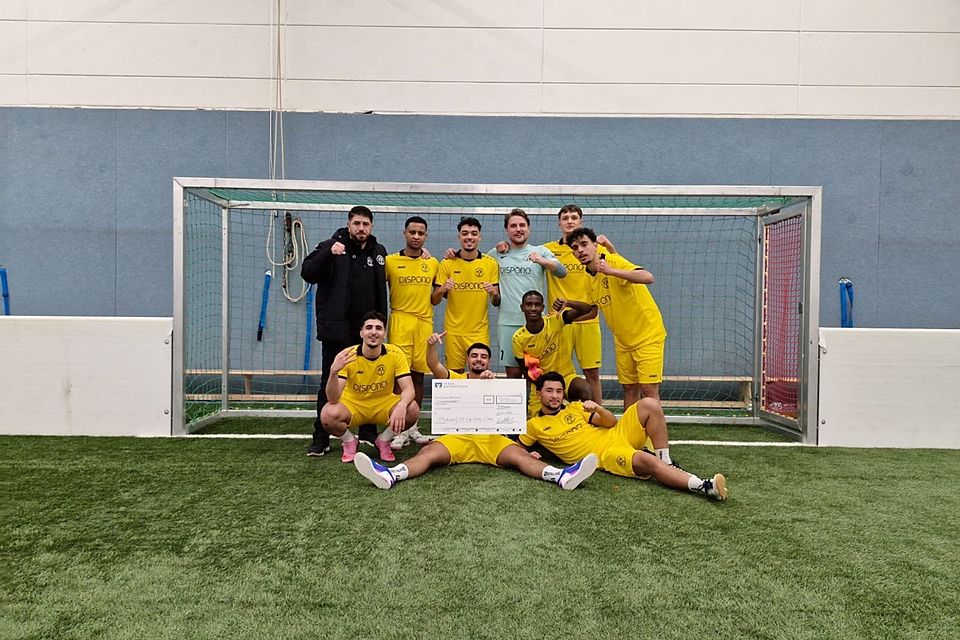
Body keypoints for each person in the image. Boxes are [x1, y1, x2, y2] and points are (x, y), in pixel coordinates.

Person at [352, 333, 598, 490]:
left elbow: (508, 417)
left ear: (489, 362)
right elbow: (433, 364)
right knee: (427, 454)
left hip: (490, 439)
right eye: (474, 356)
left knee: (520, 458)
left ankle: (561, 476)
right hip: (458, 437)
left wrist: (490, 383)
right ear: (468, 360)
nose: (478, 360)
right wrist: (430, 346)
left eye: (483, 357)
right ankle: (391, 475)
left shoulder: (497, 384)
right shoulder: (454, 379)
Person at [522, 372, 728, 501]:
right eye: (549, 391)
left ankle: (666, 461)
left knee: (650, 404)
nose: (555, 396)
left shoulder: (575, 408)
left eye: (559, 391)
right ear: (539, 394)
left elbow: (611, 422)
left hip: (617, 432)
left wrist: (598, 409)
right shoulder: (534, 425)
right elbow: (519, 446)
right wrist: (529, 453)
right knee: (647, 461)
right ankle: (705, 486)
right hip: (606, 453)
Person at [301, 206, 387, 456]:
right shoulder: (331, 245)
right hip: (337, 330)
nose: (361, 228)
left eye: (365, 224)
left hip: (368, 333)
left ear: (371, 226)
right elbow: (308, 273)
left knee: (370, 381)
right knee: (330, 381)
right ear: (349, 224)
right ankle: (321, 437)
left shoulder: (379, 252)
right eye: (357, 223)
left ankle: (368, 433)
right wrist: (328, 254)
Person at [566, 227, 667, 409]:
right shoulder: (588, 277)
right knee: (629, 388)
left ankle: (655, 428)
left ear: (595, 245)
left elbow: (648, 277)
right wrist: (563, 318)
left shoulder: (612, 261)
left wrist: (611, 271)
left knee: (648, 390)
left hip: (647, 335)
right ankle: (629, 428)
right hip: (623, 340)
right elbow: (593, 311)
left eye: (584, 244)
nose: (580, 250)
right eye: (575, 247)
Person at [321, 311, 420, 463]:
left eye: (378, 328)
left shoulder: (396, 353)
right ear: (361, 333)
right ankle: (349, 441)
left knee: (412, 410)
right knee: (327, 415)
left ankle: (384, 440)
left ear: (384, 334)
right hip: (354, 405)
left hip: (383, 403)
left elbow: (409, 389)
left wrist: (402, 405)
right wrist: (333, 371)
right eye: (369, 328)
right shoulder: (347, 355)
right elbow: (333, 399)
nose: (373, 332)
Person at [542, 204, 617, 403]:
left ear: (580, 221)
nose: (570, 221)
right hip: (560, 321)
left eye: (574, 217)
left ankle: (597, 414)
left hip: (588, 319)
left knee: (592, 372)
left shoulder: (594, 248)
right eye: (565, 218)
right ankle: (560, 413)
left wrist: (610, 247)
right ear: (559, 223)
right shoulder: (547, 250)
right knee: (558, 373)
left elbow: (616, 263)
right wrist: (503, 247)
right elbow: (523, 254)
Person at [489, 209, 566, 376]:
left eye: (522, 225)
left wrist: (542, 261)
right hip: (508, 323)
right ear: (507, 230)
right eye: (513, 226)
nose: (518, 229)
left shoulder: (540, 251)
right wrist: (453, 254)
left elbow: (562, 272)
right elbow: (476, 262)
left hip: (536, 324)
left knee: (538, 374)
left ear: (529, 228)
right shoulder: (496, 254)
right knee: (514, 375)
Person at [385, 216, 440, 449]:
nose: (416, 236)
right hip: (400, 320)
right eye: (412, 232)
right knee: (400, 376)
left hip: (424, 323)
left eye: (421, 233)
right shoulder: (390, 261)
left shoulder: (433, 263)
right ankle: (397, 429)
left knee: (418, 375)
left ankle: (413, 427)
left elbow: (435, 299)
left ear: (426, 236)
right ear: (404, 233)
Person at [432, 217, 500, 372]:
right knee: (454, 374)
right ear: (459, 237)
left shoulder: (490, 263)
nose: (469, 237)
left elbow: (496, 301)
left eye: (474, 233)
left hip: (479, 332)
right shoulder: (447, 263)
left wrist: (494, 293)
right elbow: (434, 300)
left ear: (479, 237)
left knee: (480, 373)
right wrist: (442, 289)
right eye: (465, 233)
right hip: (453, 332)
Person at [511, 290, 592, 416]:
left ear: (543, 308)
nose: (533, 308)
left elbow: (586, 309)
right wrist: (546, 387)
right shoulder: (518, 338)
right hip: (541, 383)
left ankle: (581, 420)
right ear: (522, 308)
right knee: (536, 421)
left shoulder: (555, 321)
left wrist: (568, 302)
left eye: (537, 304)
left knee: (584, 389)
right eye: (529, 304)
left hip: (566, 377)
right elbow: (525, 370)